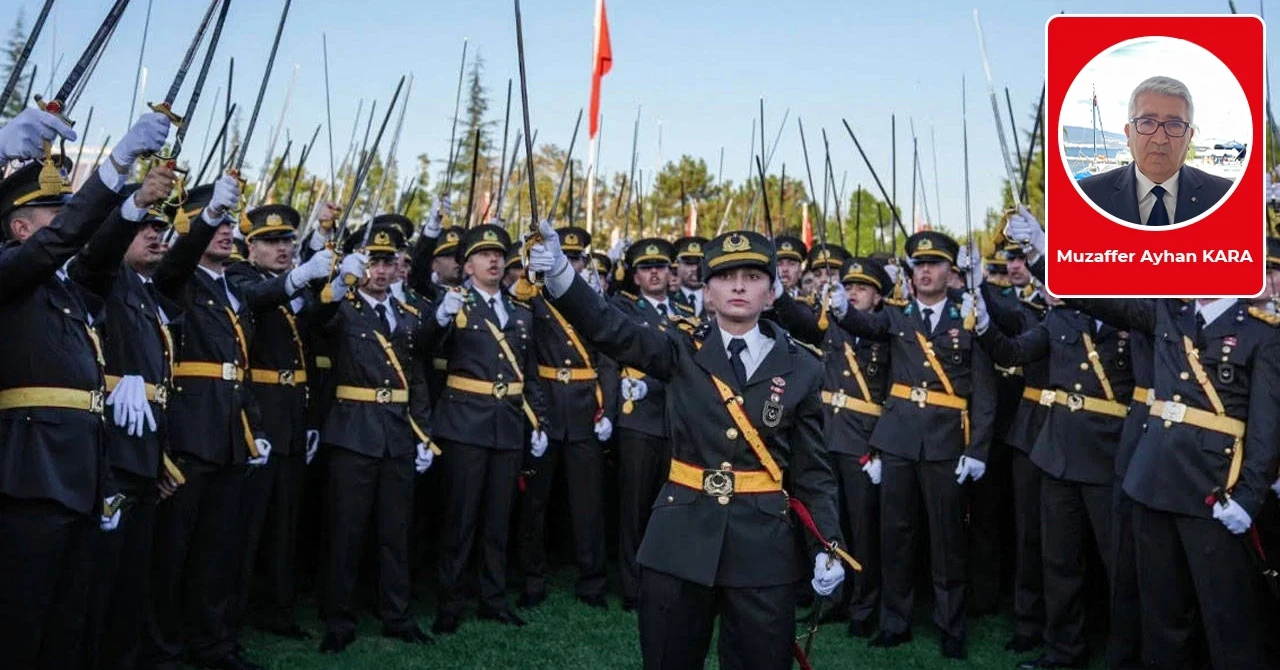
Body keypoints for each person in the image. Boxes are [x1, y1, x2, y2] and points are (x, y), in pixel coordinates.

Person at [528, 222, 850, 670]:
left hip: (763, 549)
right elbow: (610, 328)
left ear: (772, 292)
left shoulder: (802, 367)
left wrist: (826, 545)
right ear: (707, 291)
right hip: (679, 541)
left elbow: (814, 473)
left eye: (753, 276)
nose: (738, 285)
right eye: (724, 276)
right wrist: (562, 274)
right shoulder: (679, 347)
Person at [1008, 210, 1280, 669]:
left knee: (1227, 616)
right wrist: (1044, 248)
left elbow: (1268, 425)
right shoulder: (1167, 312)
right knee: (1162, 616)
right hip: (1153, 482)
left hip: (1214, 488)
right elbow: (1095, 296)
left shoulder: (1260, 332)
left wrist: (1249, 495)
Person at [0, 110, 167, 670]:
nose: (68, 223)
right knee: (23, 621)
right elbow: (67, 241)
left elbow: (93, 256)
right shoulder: (10, 271)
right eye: (55, 212)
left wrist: (134, 201)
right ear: (20, 228)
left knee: (67, 622)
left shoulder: (67, 291)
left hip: (79, 473)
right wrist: (114, 162)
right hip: (30, 472)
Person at [827, 230, 998, 660]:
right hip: (898, 441)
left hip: (945, 443)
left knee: (946, 541)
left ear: (949, 271)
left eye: (934, 264)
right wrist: (841, 308)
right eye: (918, 265)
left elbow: (984, 393)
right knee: (895, 537)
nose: (925, 271)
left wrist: (977, 450)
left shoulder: (969, 317)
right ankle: (894, 621)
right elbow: (863, 323)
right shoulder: (897, 316)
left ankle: (950, 627)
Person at [974, 268, 1136, 669]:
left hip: (1109, 455)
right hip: (1058, 453)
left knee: (1119, 564)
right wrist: (982, 327)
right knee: (1058, 561)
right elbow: (1014, 352)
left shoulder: (1133, 317)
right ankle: (1064, 648)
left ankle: (1127, 652)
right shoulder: (1062, 318)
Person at [145, 174, 272, 670]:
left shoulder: (232, 288)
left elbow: (240, 368)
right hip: (190, 433)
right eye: (208, 223)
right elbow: (176, 261)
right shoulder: (175, 277)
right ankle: (165, 649)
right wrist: (209, 215)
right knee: (173, 553)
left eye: (224, 223)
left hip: (229, 433)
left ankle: (212, 644)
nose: (223, 232)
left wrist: (253, 426)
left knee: (217, 552)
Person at [74, 168, 186, 670]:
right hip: (109, 453)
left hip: (142, 452)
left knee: (132, 577)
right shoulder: (102, 276)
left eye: (159, 227)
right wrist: (132, 204)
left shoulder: (144, 291)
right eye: (144, 226)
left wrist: (159, 455)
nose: (154, 234)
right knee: (100, 579)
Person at [313, 219, 436, 653]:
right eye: (372, 261)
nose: (380, 271)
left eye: (388, 262)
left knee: (395, 531)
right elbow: (316, 318)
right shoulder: (341, 306)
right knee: (346, 531)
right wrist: (338, 275)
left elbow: (416, 378)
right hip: (353, 430)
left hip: (397, 434)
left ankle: (397, 615)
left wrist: (424, 433)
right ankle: (339, 619)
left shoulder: (406, 315)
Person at [429, 223, 549, 635]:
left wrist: (539, 419)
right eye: (483, 255)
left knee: (499, 520)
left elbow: (529, 372)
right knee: (460, 520)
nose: (494, 260)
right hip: (465, 422)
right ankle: (450, 601)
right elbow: (424, 349)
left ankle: (492, 598)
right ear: (467, 265)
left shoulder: (519, 310)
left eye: (499, 254)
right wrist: (440, 317)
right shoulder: (455, 304)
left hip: (507, 425)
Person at [225, 204, 333, 641]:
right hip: (259, 411)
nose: (283, 248)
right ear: (249, 247)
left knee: (284, 523)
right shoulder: (240, 277)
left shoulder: (287, 286)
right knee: (247, 524)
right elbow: (259, 300)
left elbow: (310, 326)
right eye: (271, 242)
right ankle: (231, 613)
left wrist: (335, 285)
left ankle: (277, 607)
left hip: (291, 411)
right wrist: (302, 276)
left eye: (288, 240)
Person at [771, 256, 892, 638]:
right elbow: (800, 323)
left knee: (862, 530)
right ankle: (833, 600)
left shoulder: (887, 333)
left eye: (862, 288)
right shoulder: (833, 324)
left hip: (863, 441)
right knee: (828, 526)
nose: (853, 293)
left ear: (878, 298)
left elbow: (894, 394)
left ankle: (864, 606)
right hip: (828, 435)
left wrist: (882, 447)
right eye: (850, 287)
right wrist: (777, 293)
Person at [518, 225, 618, 610]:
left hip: (584, 412)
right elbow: (524, 359)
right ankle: (533, 578)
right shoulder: (534, 297)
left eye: (578, 259)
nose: (573, 265)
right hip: (545, 406)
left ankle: (592, 581)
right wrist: (534, 414)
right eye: (568, 257)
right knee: (536, 503)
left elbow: (607, 361)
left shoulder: (592, 302)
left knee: (588, 504)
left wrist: (607, 410)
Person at [608, 237, 681, 611]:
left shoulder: (685, 310)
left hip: (677, 420)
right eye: (646, 268)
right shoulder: (624, 308)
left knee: (672, 508)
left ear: (671, 273)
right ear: (634, 276)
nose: (655, 273)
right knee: (635, 508)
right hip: (640, 418)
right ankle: (633, 586)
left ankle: (665, 580)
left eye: (661, 267)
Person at [1076, 76, 1232, 226]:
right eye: (1147, 122)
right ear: (1129, 134)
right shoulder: (1087, 196)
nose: (1160, 139)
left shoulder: (1224, 196)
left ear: (1189, 137)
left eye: (1174, 124)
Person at [672, 235, 708, 317]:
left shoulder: (716, 298)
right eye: (689, 263)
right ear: (677, 266)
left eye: (699, 264)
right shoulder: (666, 297)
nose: (694, 268)